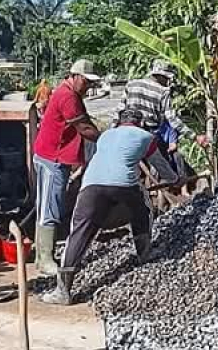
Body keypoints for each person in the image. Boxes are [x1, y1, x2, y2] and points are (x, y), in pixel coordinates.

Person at [42, 108, 156, 305]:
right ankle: (144, 254)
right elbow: (160, 164)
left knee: (78, 232)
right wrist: (175, 179)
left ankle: (63, 291)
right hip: (125, 185)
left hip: (92, 185)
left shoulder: (105, 136)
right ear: (139, 123)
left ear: (119, 122)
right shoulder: (146, 136)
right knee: (142, 210)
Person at [31, 59, 102, 275]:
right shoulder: (68, 96)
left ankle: (41, 256)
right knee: (50, 207)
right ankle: (45, 259)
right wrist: (106, 139)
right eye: (87, 82)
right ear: (76, 77)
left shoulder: (67, 92)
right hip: (53, 157)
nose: (89, 86)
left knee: (45, 205)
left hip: (50, 155)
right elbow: (84, 127)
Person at [117, 59, 206, 179]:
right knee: (160, 160)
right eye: (167, 78)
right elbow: (172, 119)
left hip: (126, 132)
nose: (168, 81)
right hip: (149, 134)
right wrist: (194, 136)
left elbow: (119, 111)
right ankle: (165, 181)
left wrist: (112, 131)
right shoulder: (163, 91)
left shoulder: (131, 84)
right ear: (161, 76)